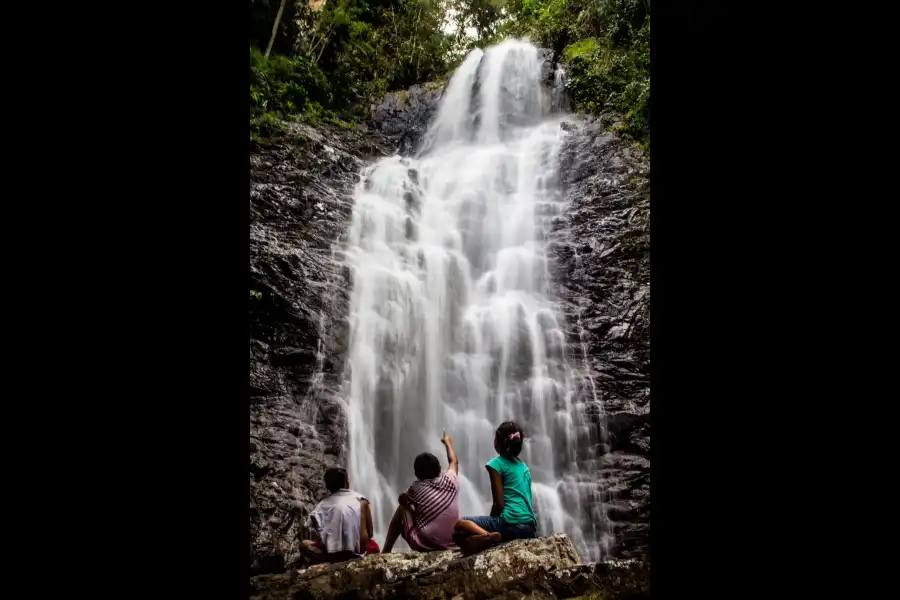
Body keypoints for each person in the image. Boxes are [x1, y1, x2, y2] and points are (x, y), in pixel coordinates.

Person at [453, 421, 537, 555]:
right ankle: (486, 538)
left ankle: (489, 536)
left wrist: (493, 521)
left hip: (509, 523)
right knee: (462, 536)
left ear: (498, 442)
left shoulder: (496, 464)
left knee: (460, 526)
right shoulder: (524, 467)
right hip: (529, 528)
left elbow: (499, 504)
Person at [382, 431, 460, 553]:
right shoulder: (450, 480)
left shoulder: (414, 488)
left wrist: (411, 506)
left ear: (417, 474)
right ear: (439, 469)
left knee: (402, 508)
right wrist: (448, 443)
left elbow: (402, 500)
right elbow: (454, 461)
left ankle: (386, 551)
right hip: (454, 540)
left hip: (427, 545)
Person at [300, 467, 380, 565]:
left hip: (333, 555)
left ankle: (324, 563)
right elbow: (370, 533)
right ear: (347, 483)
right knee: (373, 545)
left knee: (304, 544)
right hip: (361, 553)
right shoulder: (362, 501)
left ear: (327, 486)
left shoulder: (321, 506)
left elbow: (320, 533)